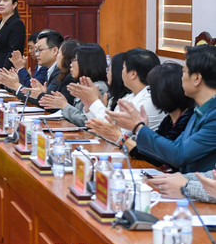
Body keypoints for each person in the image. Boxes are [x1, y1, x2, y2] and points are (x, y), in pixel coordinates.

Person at [88, 45, 216, 175]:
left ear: (197, 78)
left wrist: (138, 128)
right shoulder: (199, 110)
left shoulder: (212, 116)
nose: (181, 78)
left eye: (184, 72)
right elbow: (171, 149)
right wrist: (141, 128)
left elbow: (179, 154)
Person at [81, 48, 165, 131]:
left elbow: (116, 131)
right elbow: (103, 125)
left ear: (133, 74)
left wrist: (94, 101)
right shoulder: (130, 96)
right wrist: (89, 104)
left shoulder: (149, 101)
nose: (122, 72)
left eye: (123, 68)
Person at [38, 44, 107, 126]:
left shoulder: (98, 88)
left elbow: (86, 122)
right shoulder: (83, 85)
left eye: (74, 60)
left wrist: (64, 105)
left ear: (86, 62)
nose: (70, 64)